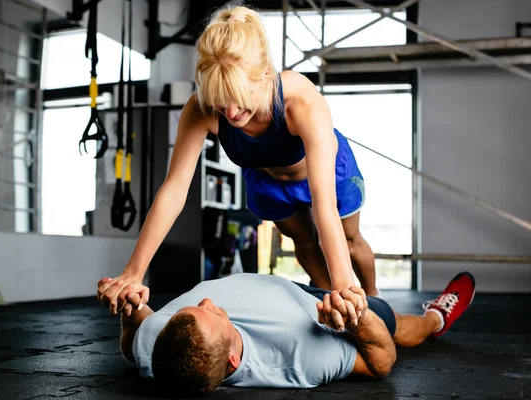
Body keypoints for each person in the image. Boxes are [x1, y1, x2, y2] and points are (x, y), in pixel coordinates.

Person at [97, 4, 379, 316]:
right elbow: (174, 191)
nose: (231, 113)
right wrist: (133, 272)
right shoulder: (201, 108)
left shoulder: (300, 102)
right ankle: (337, 303)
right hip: (265, 179)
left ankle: (374, 296)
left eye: (240, 99)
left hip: (325, 171)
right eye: (221, 101)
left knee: (349, 241)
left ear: (266, 74)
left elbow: (323, 204)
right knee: (304, 240)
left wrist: (345, 285)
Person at [116, 271, 476, 395]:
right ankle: (436, 317)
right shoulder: (301, 358)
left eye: (194, 308)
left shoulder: (154, 345)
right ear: (232, 359)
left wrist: (127, 305)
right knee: (399, 326)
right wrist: (357, 318)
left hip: (277, 288)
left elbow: (138, 328)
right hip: (314, 309)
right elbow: (381, 363)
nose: (209, 300)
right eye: (212, 313)